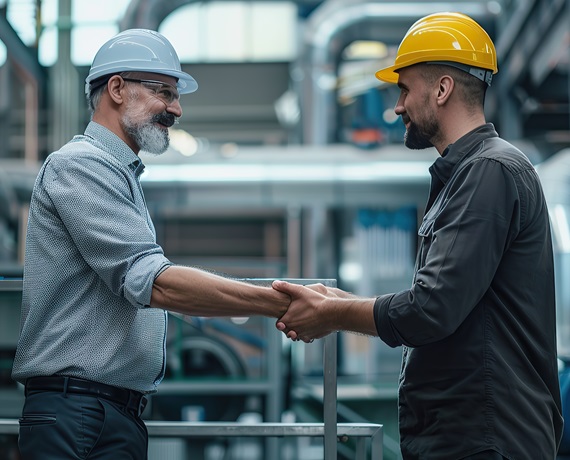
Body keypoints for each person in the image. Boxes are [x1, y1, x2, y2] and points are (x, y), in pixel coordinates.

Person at [274, 12, 563, 459]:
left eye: (405, 89)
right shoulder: (468, 176)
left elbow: (432, 308)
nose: (397, 107)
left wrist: (335, 314)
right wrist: (337, 305)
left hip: (485, 439)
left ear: (443, 88)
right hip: (469, 436)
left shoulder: (488, 171)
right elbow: (445, 305)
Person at [11, 29, 290, 460]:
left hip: (109, 410)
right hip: (77, 412)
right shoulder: (79, 166)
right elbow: (152, 282)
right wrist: (280, 302)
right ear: (117, 89)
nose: (176, 109)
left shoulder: (121, 176)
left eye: (176, 96)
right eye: (164, 92)